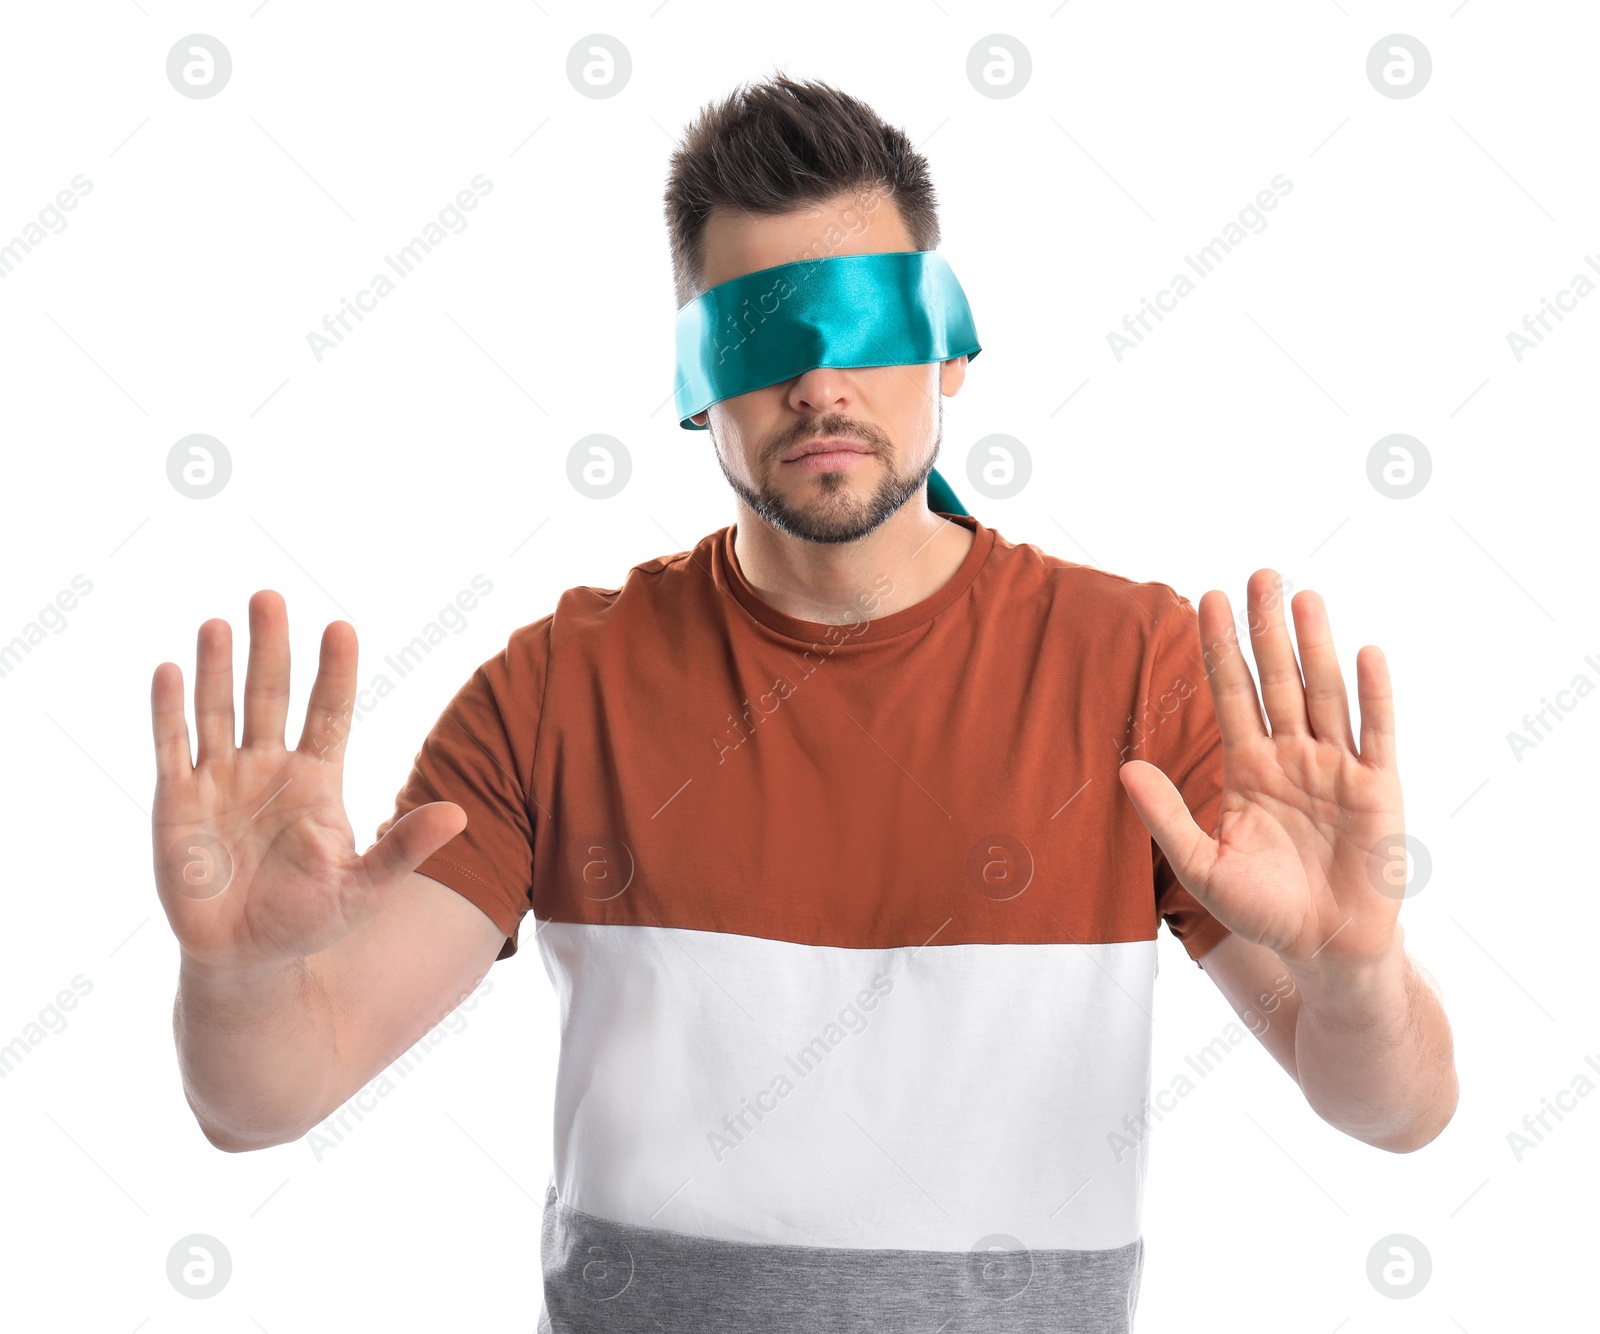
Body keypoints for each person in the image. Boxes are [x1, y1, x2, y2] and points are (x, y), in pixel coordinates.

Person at [152, 74, 1458, 1333]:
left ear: (949, 348)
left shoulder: (1140, 671)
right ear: (695, 380)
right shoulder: (556, 689)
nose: (821, 383)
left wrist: (1355, 972)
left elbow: (1400, 1110)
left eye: (869, 322)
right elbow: (267, 1095)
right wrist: (234, 974)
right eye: (763, 334)